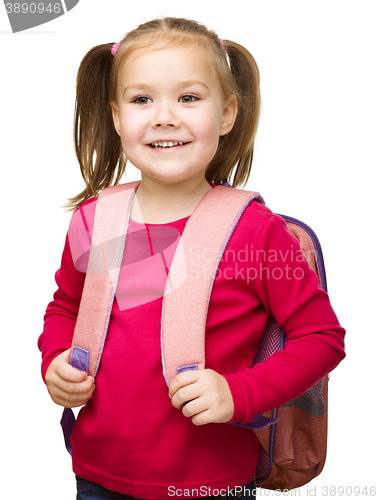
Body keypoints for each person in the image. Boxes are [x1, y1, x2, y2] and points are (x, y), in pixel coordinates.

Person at [38, 17, 346, 500]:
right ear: (118, 117)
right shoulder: (94, 220)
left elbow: (322, 339)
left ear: (226, 114)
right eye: (142, 99)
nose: (165, 116)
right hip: (96, 474)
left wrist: (238, 393)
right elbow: (66, 309)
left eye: (188, 97)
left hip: (211, 484)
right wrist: (56, 360)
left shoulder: (255, 231)